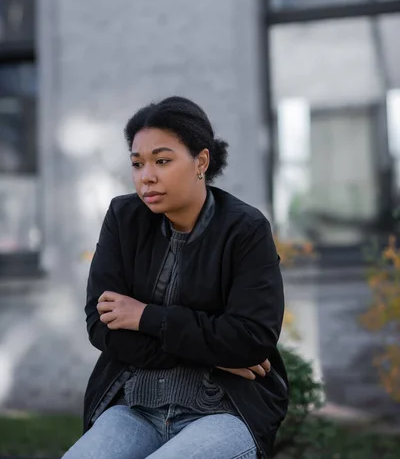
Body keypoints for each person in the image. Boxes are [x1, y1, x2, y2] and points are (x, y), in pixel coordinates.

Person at [63, 96, 289, 459]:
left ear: (201, 161)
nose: (146, 176)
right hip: (135, 408)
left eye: (162, 161)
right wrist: (212, 354)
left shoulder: (246, 230)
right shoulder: (124, 219)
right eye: (137, 163)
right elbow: (101, 326)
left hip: (225, 410)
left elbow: (252, 339)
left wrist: (145, 317)